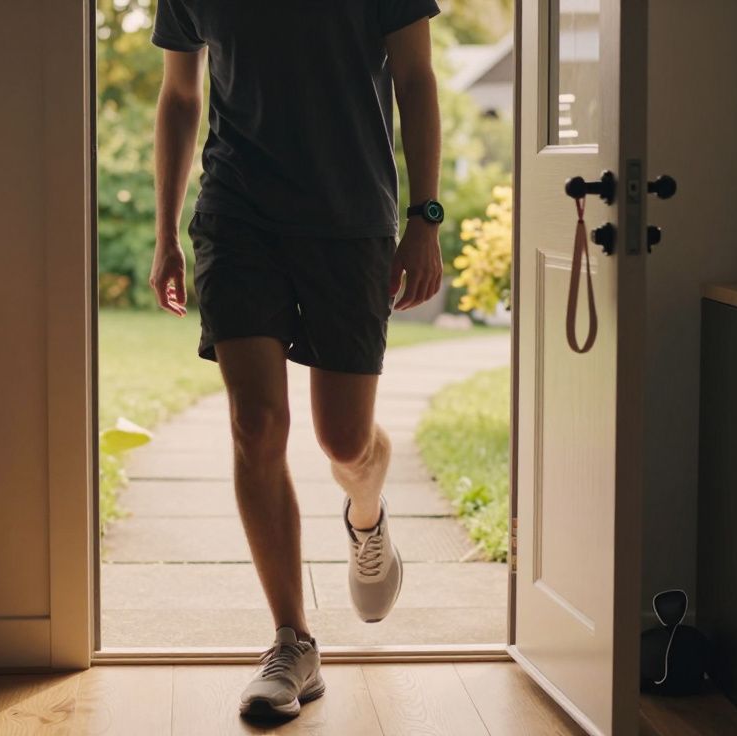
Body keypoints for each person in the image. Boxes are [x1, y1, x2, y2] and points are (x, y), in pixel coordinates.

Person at [149, 0, 444, 721]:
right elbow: (181, 93)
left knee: (343, 437)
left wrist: (425, 217)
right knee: (256, 424)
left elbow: (416, 76)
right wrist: (166, 232)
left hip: (350, 218)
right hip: (237, 214)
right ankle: (292, 640)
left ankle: (366, 515)